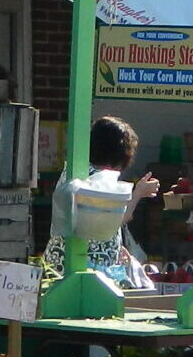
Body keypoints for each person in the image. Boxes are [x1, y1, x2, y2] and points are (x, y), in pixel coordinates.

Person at [44, 115, 160, 289]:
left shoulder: (76, 171)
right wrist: (139, 193)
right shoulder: (98, 178)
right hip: (85, 273)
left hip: (63, 265)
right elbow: (117, 219)